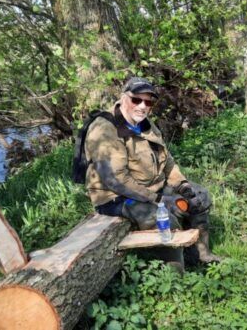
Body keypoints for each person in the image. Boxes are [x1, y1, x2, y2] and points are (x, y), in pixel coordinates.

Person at [84, 77, 221, 269]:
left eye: (148, 102)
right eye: (136, 100)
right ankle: (175, 277)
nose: (142, 106)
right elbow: (115, 180)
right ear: (124, 98)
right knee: (162, 218)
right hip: (116, 197)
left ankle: (201, 255)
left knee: (200, 197)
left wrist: (183, 185)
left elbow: (168, 161)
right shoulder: (105, 129)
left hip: (152, 188)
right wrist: (157, 199)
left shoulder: (146, 124)